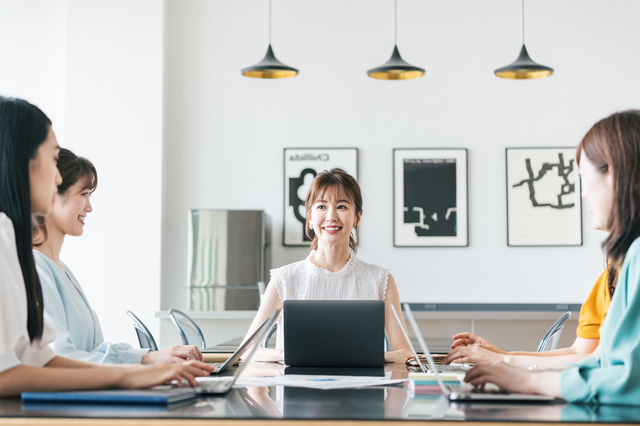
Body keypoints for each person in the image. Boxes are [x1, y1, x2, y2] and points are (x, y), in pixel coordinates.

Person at [0, 96, 213, 397]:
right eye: (52, 159)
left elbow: (43, 361)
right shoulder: (6, 241)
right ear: (22, 160)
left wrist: (142, 369)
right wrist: (129, 375)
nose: (57, 175)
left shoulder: (11, 240)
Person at [464, 110, 640, 405]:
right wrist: (509, 365)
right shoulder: (627, 255)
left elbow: (626, 378)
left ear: (613, 174)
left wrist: (526, 378)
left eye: (584, 177)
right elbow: (603, 363)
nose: (583, 194)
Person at [32, 148, 202, 364]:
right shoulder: (36, 268)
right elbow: (60, 358)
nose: (89, 207)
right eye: (83, 194)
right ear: (52, 195)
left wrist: (150, 356)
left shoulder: (60, 268)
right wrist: (146, 362)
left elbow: (93, 349)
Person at [241, 169, 412, 363]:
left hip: (362, 391)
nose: (331, 216)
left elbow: (405, 352)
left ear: (357, 217)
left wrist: (365, 357)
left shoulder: (381, 280)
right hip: (296, 390)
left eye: (341, 206)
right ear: (310, 218)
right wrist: (287, 354)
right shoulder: (284, 279)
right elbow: (247, 350)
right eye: (321, 206)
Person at [443, 269, 609, 369]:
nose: (590, 207)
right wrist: (499, 354)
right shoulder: (609, 274)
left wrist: (503, 360)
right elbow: (580, 352)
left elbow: (601, 361)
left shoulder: (631, 273)